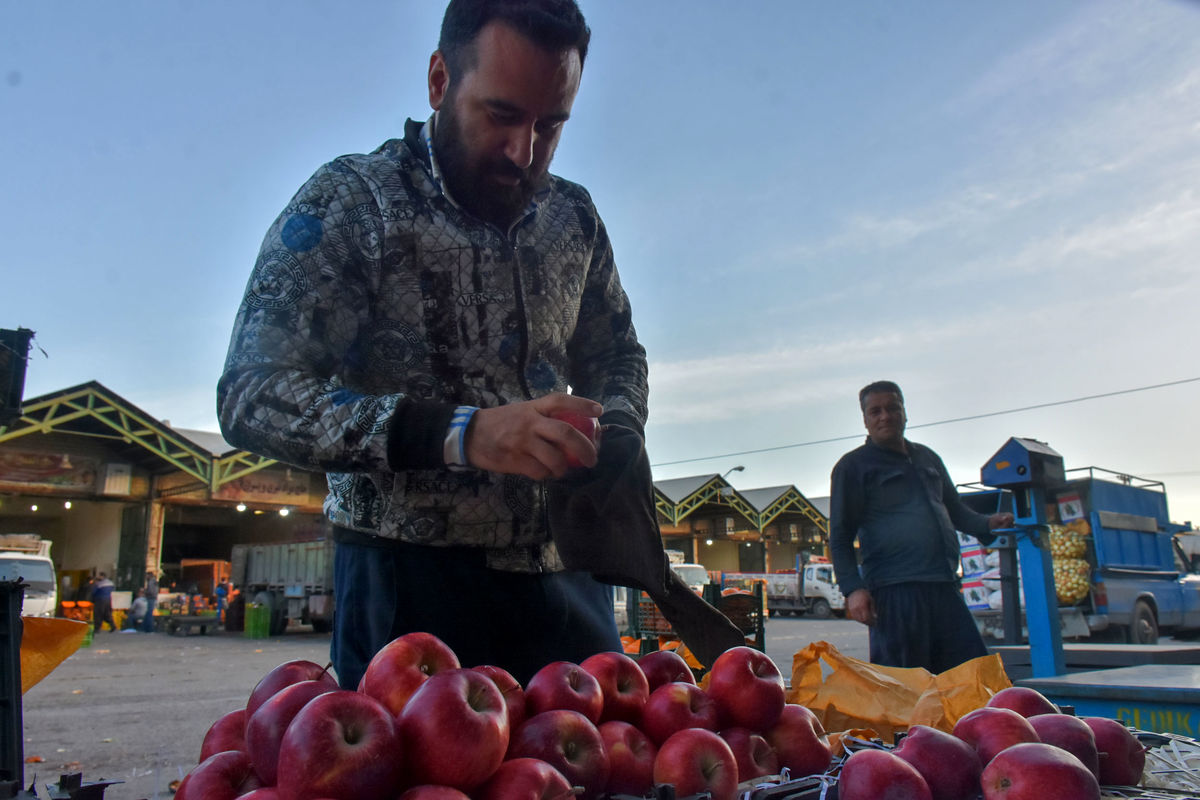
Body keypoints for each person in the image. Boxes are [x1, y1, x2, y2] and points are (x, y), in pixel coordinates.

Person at [217, 0, 648, 689]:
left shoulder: (575, 216)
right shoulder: (352, 202)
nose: (524, 152)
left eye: (551, 125)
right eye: (502, 115)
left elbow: (617, 352)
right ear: (441, 80)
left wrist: (619, 428)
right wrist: (461, 433)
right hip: (408, 588)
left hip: (568, 575)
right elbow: (252, 393)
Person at [829, 381, 1014, 673]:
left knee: (971, 677)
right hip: (894, 594)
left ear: (904, 412)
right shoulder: (852, 467)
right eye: (875, 411)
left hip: (943, 586)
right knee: (905, 686)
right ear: (865, 420)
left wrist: (988, 523)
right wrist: (853, 589)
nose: (885, 416)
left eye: (892, 408)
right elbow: (839, 537)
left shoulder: (927, 458)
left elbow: (955, 511)